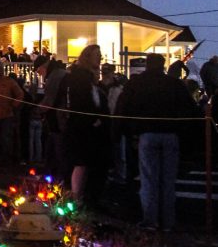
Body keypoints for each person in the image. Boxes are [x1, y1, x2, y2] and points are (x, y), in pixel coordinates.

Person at [120, 54, 200, 231]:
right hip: (170, 133)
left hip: (147, 134)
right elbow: (190, 110)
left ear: (147, 64)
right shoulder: (174, 84)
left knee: (149, 178)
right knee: (168, 180)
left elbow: (124, 108)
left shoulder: (137, 83)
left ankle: (150, 219)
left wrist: (128, 132)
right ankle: (168, 221)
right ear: (163, 65)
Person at [62, 45, 110, 206]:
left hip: (93, 131)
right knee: (81, 163)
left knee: (88, 164)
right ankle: (77, 198)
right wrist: (92, 119)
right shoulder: (79, 79)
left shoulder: (92, 81)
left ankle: (86, 197)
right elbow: (80, 103)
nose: (100, 58)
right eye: (97, 55)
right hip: (83, 130)